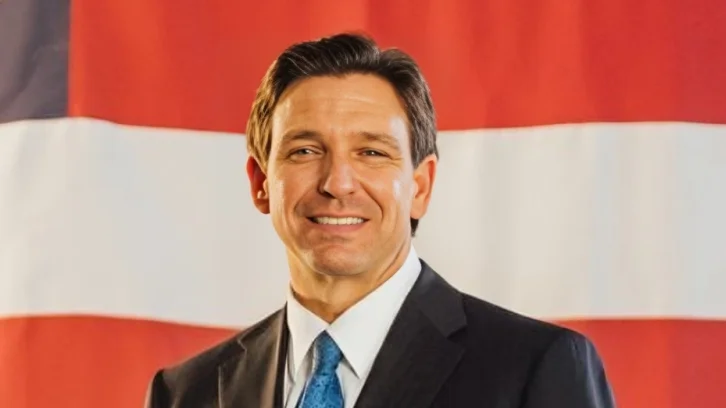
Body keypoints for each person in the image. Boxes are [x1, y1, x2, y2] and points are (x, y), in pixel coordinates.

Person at [144, 33, 616, 408]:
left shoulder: (534, 369)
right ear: (260, 182)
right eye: (305, 151)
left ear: (420, 187)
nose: (337, 183)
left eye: (371, 152)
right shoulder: (184, 394)